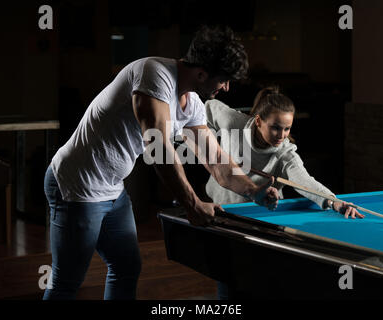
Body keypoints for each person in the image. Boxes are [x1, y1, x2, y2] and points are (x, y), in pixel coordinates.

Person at [43, 25, 280, 300]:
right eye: (223, 80)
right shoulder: (153, 76)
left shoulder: (192, 103)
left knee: (126, 267)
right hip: (77, 184)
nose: (226, 88)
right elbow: (159, 151)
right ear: (202, 73)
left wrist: (254, 191)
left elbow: (216, 161)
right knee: (67, 280)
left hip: (112, 189)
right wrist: (193, 205)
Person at [205, 86, 364, 299]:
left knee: (264, 282)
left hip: (263, 219)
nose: (282, 135)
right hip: (224, 213)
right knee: (229, 281)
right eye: (276, 128)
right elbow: (207, 107)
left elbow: (304, 181)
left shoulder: (285, 153)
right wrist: (213, 149)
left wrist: (334, 202)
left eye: (287, 129)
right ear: (259, 121)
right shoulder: (232, 122)